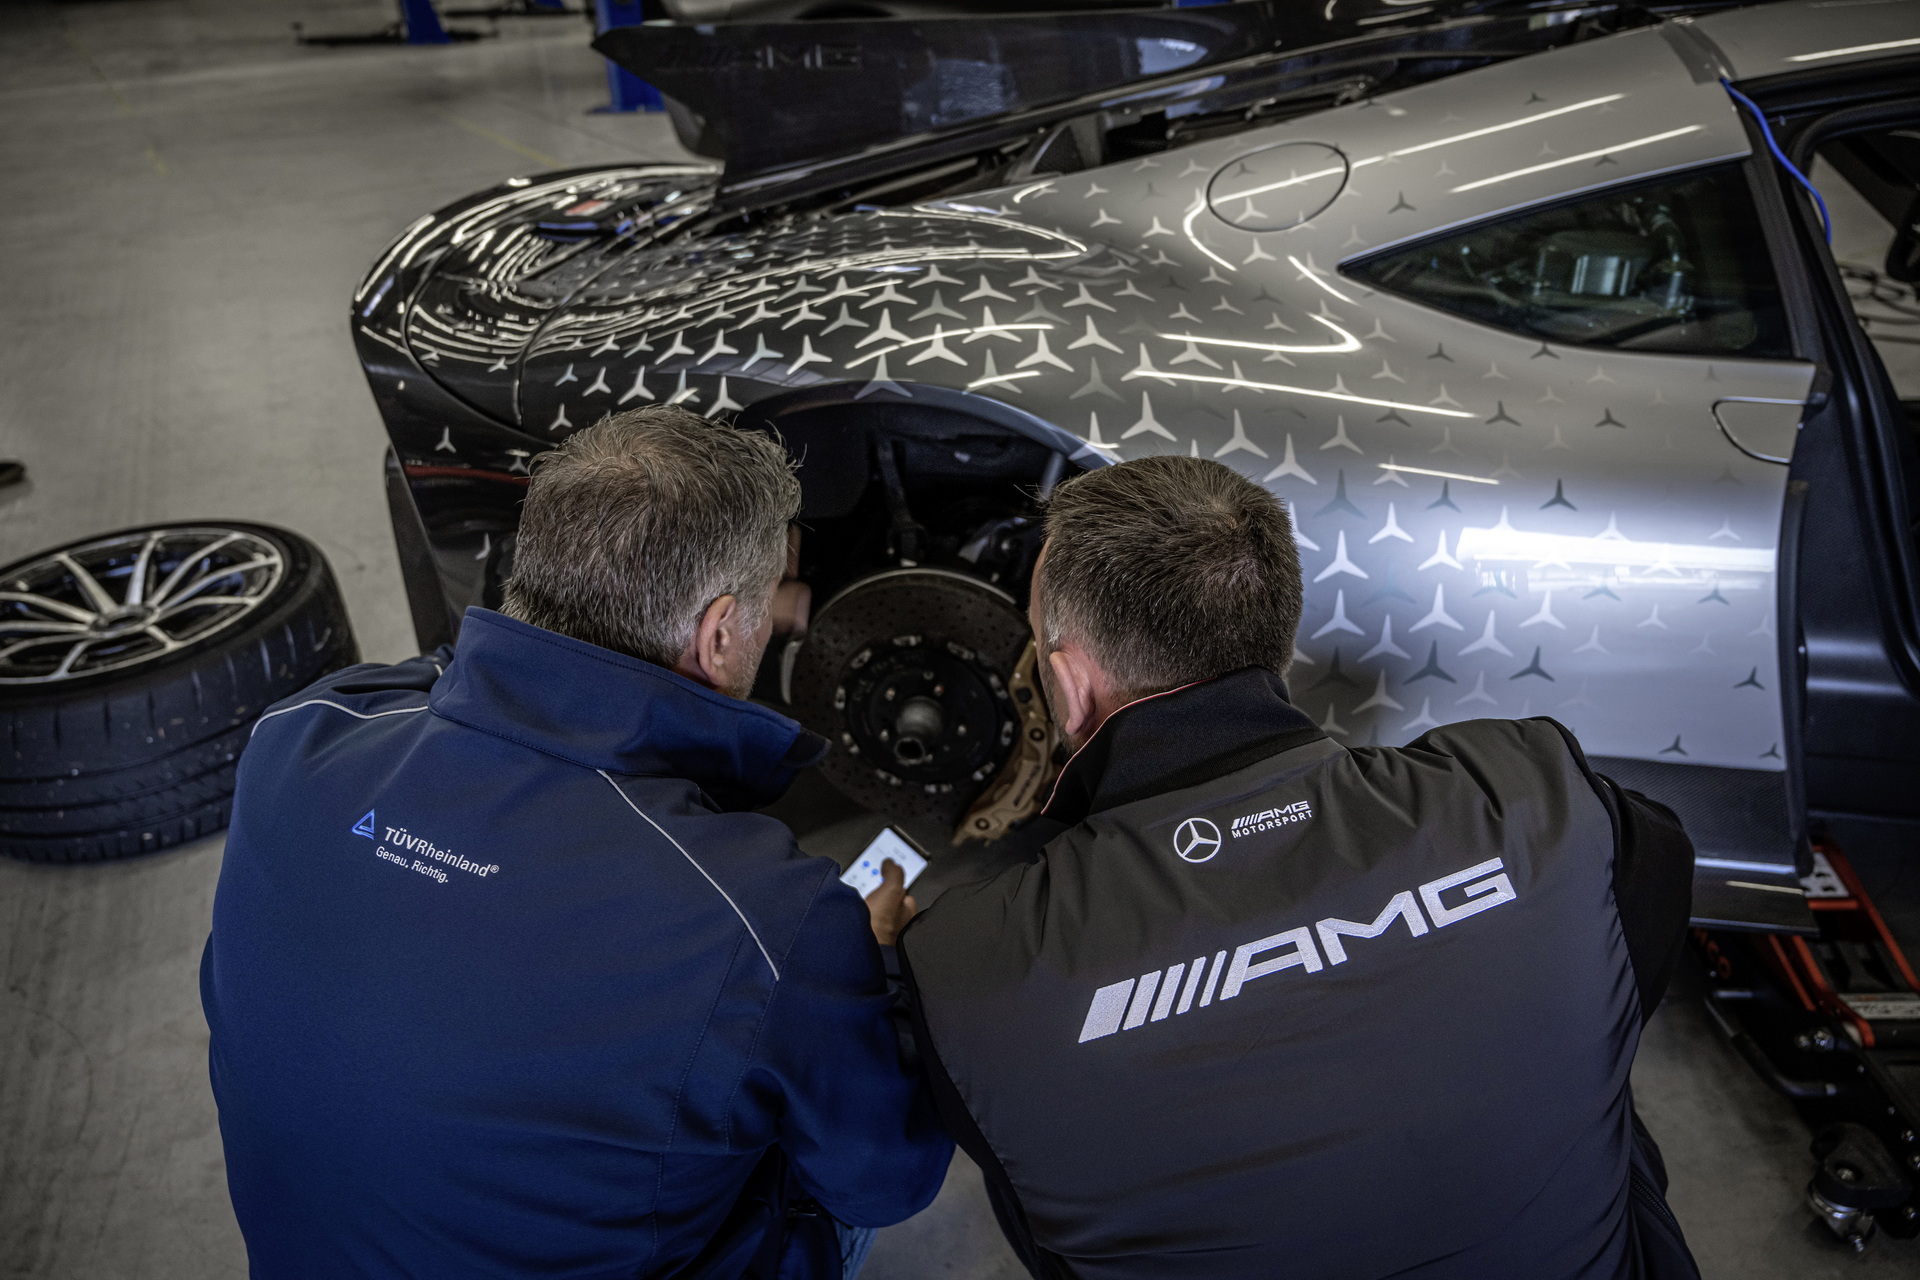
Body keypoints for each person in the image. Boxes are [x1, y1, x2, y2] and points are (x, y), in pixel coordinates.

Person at [898, 456, 1699, 1280]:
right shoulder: (1528, 793)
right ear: (1280, 634)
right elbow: (1653, 893)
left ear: (1069, 687)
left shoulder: (973, 969)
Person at [202, 406, 950, 1279]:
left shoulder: (298, 736)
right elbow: (886, 1181)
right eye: (768, 604)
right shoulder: (768, 918)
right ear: (718, 635)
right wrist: (875, 970)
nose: (777, 620)